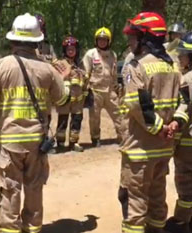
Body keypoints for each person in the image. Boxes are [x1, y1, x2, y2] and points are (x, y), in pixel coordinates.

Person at [0, 13, 69, 233]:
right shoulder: (47, 69)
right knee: (34, 188)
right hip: (37, 142)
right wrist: (63, 79)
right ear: (37, 41)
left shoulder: (1, 65)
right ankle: (32, 228)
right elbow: (63, 100)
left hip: (10, 139)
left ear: (12, 40)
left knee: (10, 189)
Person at [119, 12, 187, 233]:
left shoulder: (135, 67)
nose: (129, 42)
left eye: (133, 37)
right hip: (163, 149)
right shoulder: (174, 67)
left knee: (134, 203)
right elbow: (184, 102)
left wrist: (159, 128)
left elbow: (138, 104)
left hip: (140, 151)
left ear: (145, 38)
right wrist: (175, 124)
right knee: (157, 201)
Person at [164, 32, 192, 233]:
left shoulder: (187, 80)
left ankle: (181, 222)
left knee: (186, 185)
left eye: (183, 54)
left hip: (188, 146)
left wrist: (171, 145)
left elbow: (184, 114)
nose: (180, 57)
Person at [82, 27, 123, 147]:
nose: (102, 42)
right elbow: (86, 72)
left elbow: (114, 73)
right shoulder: (90, 54)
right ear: (96, 40)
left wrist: (116, 87)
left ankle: (122, 136)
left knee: (118, 114)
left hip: (110, 90)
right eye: (100, 40)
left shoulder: (113, 55)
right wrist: (84, 89)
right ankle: (95, 138)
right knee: (94, 117)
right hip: (95, 90)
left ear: (109, 41)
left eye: (105, 40)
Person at [53, 36, 88, 152]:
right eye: (68, 49)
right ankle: (61, 143)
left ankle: (74, 142)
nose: (71, 51)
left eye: (73, 49)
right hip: (65, 99)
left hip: (78, 100)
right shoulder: (61, 64)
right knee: (63, 121)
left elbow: (86, 78)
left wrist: (86, 92)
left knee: (77, 121)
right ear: (64, 51)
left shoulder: (81, 64)